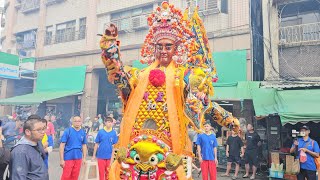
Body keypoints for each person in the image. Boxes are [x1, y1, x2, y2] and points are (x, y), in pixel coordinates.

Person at [100, 2, 240, 179]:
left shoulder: (183, 77)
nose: (164, 51)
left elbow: (204, 102)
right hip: (133, 150)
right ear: (154, 47)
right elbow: (119, 75)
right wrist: (109, 46)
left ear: (176, 48)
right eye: (160, 46)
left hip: (169, 152)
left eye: (168, 46)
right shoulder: (139, 76)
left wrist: (228, 120)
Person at [9, 115, 49, 180]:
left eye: (43, 129)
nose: (43, 132)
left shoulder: (37, 143)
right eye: (39, 130)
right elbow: (18, 177)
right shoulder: (21, 152)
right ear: (28, 132)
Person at [59, 116, 87, 180]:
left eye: (79, 121)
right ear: (72, 122)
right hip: (68, 158)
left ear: (81, 122)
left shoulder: (83, 132)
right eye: (75, 121)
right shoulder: (67, 131)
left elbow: (84, 145)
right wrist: (61, 159)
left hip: (78, 158)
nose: (77, 123)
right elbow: (62, 145)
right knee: (66, 176)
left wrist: (84, 158)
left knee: (75, 176)